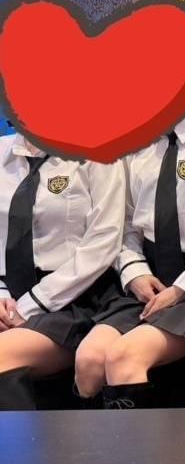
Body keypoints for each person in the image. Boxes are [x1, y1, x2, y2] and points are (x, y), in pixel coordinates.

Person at [74, 104, 185, 408]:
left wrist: (183, 288)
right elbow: (124, 224)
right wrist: (135, 273)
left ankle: (141, 442)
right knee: (89, 358)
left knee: (124, 356)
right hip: (148, 280)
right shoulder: (136, 143)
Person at [0, 134, 124, 409]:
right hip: (10, 294)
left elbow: (104, 242)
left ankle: (28, 440)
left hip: (76, 298)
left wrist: (28, 306)